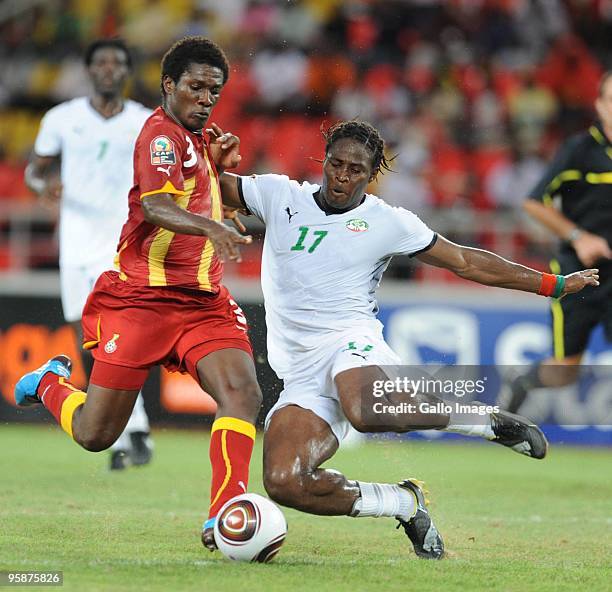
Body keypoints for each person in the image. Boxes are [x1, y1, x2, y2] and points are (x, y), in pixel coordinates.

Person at [217, 120, 598, 560]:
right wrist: (209, 152)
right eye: (336, 164)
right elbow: (203, 180)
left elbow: (464, 261)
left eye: (355, 169)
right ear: (323, 161)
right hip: (300, 371)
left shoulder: (386, 221)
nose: (342, 176)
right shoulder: (279, 195)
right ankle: (402, 503)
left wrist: (550, 284)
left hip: (351, 342)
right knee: (285, 482)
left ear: (372, 173)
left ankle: (485, 422)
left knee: (365, 409)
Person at [15, 36, 262, 551]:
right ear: (169, 85)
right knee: (95, 434)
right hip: (141, 302)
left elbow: (202, 191)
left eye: (214, 90)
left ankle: (226, 514)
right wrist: (212, 228)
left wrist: (219, 170)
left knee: (242, 393)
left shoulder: (200, 139)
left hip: (202, 302)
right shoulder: (160, 136)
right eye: (195, 87)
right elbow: (154, 205)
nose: (205, 98)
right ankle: (47, 386)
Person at [25, 38, 154, 470]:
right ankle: (132, 429)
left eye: (117, 62)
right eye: (100, 62)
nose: (108, 69)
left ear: (127, 71)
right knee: (91, 342)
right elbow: (34, 172)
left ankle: (123, 434)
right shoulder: (61, 119)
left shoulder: (143, 121)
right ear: (89, 69)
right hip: (76, 244)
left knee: (120, 337)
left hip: (122, 243)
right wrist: (45, 187)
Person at [502, 71, 612, 413]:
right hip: (580, 275)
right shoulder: (579, 151)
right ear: (600, 105)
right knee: (565, 371)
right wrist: (578, 237)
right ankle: (524, 384)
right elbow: (534, 202)